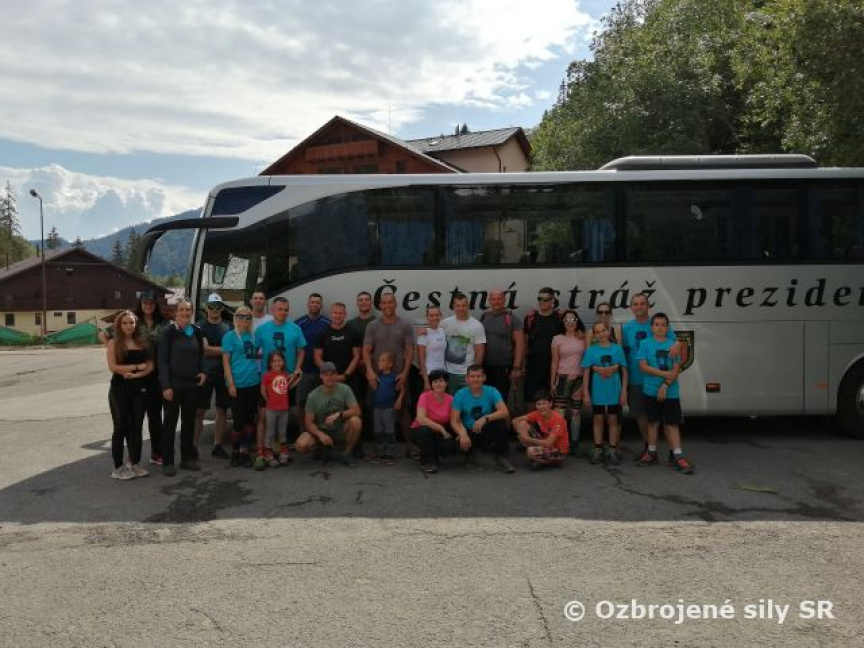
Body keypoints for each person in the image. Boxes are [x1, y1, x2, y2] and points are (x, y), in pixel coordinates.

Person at [621, 293, 679, 456]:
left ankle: (673, 451)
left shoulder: (657, 323)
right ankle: (648, 447)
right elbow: (625, 352)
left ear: (648, 306)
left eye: (642, 303)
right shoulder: (627, 328)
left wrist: (679, 343)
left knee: (666, 418)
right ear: (631, 307)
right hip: (636, 378)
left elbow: (675, 344)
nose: (639, 306)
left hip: (659, 379)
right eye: (635, 304)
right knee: (641, 415)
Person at [635, 313, 694, 474]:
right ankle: (651, 453)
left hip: (670, 391)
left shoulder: (673, 345)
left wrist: (665, 385)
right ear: (652, 327)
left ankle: (678, 456)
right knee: (652, 423)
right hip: (650, 390)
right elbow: (643, 367)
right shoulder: (645, 344)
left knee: (671, 424)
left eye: (663, 325)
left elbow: (676, 370)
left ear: (667, 328)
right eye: (657, 324)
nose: (660, 328)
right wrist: (663, 374)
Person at [362, 291, 416, 453]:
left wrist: (405, 373)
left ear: (395, 304)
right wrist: (369, 372)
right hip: (377, 378)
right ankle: (377, 447)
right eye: (384, 303)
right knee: (374, 410)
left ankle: (409, 445)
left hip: (398, 375)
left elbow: (409, 350)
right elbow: (366, 351)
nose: (387, 305)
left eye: (390, 302)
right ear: (380, 305)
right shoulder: (372, 326)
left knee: (404, 410)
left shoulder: (405, 325)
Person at [158, 299, 207, 476]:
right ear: (176, 312)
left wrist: (202, 371)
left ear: (192, 312)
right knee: (170, 424)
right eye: (181, 309)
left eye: (188, 309)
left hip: (191, 385)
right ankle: (168, 461)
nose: (185, 312)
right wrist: (166, 386)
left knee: (188, 423)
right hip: (173, 385)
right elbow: (162, 361)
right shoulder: (169, 332)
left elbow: (201, 355)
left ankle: (186, 459)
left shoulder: (196, 331)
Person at [254, 296, 306, 452]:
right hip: (267, 380)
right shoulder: (261, 330)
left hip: (288, 380)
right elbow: (252, 352)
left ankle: (278, 449)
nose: (283, 312)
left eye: (286, 310)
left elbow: (301, 350)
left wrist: (297, 369)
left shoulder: (295, 328)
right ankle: (261, 450)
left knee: (284, 416)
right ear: (272, 310)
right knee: (264, 416)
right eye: (280, 309)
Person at [106, 310, 153, 480]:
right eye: (125, 322)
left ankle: (134, 463)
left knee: (137, 427)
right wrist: (136, 367)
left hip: (139, 388)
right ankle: (118, 468)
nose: (128, 326)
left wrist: (137, 375)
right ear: (119, 325)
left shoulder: (142, 342)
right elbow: (113, 367)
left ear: (136, 324)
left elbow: (149, 366)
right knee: (121, 427)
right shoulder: (114, 343)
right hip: (120, 389)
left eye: (131, 322)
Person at [295, 362, 363, 467]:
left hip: (339, 429)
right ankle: (321, 448)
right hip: (321, 430)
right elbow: (308, 422)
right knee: (301, 445)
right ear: (321, 376)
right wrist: (320, 435)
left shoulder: (345, 389)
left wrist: (339, 414)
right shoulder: (312, 396)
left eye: (332, 374)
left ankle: (347, 453)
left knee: (356, 421)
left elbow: (357, 410)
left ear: (336, 375)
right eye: (326, 375)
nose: (329, 377)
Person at [450, 365, 514, 473]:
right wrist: (462, 433)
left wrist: (485, 418)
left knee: (501, 422)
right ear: (467, 378)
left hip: (485, 428)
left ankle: (501, 457)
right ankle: (471, 451)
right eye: (472, 376)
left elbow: (504, 411)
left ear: (484, 377)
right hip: (469, 430)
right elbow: (454, 420)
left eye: (478, 376)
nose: (476, 379)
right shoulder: (460, 394)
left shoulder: (492, 391)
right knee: (453, 447)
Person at [581, 321, 628, 465]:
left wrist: (624, 392)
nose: (602, 334)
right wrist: (586, 393)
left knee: (613, 419)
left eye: (604, 330)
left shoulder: (617, 349)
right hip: (598, 391)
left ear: (608, 331)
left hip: (614, 390)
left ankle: (612, 449)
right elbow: (586, 372)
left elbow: (625, 372)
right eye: (598, 332)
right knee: (598, 418)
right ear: (594, 335)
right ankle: (598, 448)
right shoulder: (591, 350)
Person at [221, 306, 260, 468]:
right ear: (235, 318)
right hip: (237, 384)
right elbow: (226, 362)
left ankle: (245, 451)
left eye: (248, 317)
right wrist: (231, 383)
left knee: (250, 420)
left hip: (253, 382)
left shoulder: (254, 336)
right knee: (238, 422)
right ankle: (235, 451)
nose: (245, 319)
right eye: (241, 316)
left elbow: (253, 355)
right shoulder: (230, 336)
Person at [196, 293, 231, 458]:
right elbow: (203, 350)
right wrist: (223, 349)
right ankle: (193, 447)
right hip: (205, 373)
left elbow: (230, 350)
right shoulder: (199, 326)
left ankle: (217, 446)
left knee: (222, 410)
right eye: (211, 306)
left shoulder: (229, 327)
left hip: (224, 373)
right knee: (199, 412)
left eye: (218, 306)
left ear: (222, 308)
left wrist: (211, 349)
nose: (214, 309)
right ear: (206, 308)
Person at [550, 309, 586, 453]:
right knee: (560, 413)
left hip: (579, 379)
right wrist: (552, 381)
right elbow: (554, 362)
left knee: (576, 412)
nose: (570, 323)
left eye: (573, 319)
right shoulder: (557, 339)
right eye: (567, 320)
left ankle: (575, 443)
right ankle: (559, 442)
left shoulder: (584, 337)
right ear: (563, 323)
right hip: (563, 378)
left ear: (578, 321)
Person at [480, 289, 524, 405]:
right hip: (485, 365)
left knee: (500, 399)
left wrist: (516, 367)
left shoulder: (512, 318)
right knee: (486, 398)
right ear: (489, 301)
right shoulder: (484, 317)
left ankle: (501, 417)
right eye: (494, 299)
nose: (496, 302)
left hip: (503, 366)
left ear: (504, 300)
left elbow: (520, 343)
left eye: (499, 299)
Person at [295, 293, 331, 429]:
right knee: (302, 404)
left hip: (322, 372)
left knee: (322, 404)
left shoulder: (327, 323)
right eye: (312, 302)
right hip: (304, 371)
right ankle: (303, 432)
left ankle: (321, 432)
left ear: (321, 305)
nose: (315, 304)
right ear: (308, 304)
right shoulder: (298, 324)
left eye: (317, 302)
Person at [523, 286, 564, 405]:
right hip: (534, 366)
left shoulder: (559, 318)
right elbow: (525, 342)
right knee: (531, 400)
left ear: (552, 301)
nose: (542, 302)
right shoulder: (531, 318)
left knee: (552, 399)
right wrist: (523, 365)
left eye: (545, 299)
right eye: (539, 299)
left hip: (554, 367)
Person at [409, 369, 454, 473]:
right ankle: (426, 463)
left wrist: (461, 433)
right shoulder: (424, 396)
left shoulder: (451, 399)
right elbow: (421, 418)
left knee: (450, 443)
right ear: (431, 384)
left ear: (446, 383)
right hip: (419, 431)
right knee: (425, 430)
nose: (438, 384)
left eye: (441, 381)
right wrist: (440, 428)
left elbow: (454, 420)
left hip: (439, 433)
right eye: (435, 381)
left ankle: (435, 454)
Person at [348, 291, 377, 449]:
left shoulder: (377, 322)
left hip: (372, 370)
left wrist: (367, 363)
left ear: (370, 303)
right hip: (355, 371)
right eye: (361, 300)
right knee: (356, 404)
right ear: (357, 303)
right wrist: (357, 363)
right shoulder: (351, 324)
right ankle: (356, 440)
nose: (364, 302)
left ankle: (371, 440)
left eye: (367, 300)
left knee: (371, 404)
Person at [441, 293, 486, 393]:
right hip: (449, 372)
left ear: (468, 306)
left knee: (467, 400)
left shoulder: (477, 326)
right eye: (458, 305)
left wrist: (474, 374)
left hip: (467, 373)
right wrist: (424, 331)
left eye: (463, 305)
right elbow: (433, 333)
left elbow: (480, 351)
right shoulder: (445, 323)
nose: (460, 308)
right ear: (453, 306)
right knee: (452, 401)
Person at [512, 390, 568, 470]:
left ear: (551, 404)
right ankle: (538, 458)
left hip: (558, 450)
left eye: (544, 403)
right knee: (522, 424)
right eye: (539, 404)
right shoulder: (538, 413)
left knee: (530, 451)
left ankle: (544, 461)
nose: (541, 407)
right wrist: (520, 435)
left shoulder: (558, 419)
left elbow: (548, 443)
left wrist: (527, 439)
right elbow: (515, 420)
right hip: (544, 443)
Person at [257, 350, 294, 470]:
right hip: (271, 409)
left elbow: (290, 384)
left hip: (284, 408)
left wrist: (295, 375)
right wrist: (267, 400)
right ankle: (268, 453)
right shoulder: (267, 375)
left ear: (283, 362)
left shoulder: (285, 374)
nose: (277, 363)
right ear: (270, 363)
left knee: (282, 431)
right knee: (270, 432)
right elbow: (263, 389)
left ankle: (283, 452)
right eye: (274, 361)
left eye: (279, 361)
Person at [314, 302, 362, 394]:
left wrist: (345, 375)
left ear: (345, 314)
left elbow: (357, 356)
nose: (338, 316)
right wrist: (329, 375)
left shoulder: (353, 332)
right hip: (327, 380)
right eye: (335, 313)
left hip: (349, 379)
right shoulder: (322, 333)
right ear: (330, 314)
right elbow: (317, 357)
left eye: (341, 313)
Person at [371, 351, 404, 465]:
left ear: (390, 364)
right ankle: (380, 452)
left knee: (389, 430)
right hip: (377, 407)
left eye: (383, 360)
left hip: (389, 407)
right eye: (379, 360)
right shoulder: (377, 377)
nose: (380, 362)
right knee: (378, 430)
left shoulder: (394, 377)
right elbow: (373, 388)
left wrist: (399, 400)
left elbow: (402, 388)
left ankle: (390, 453)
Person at [417, 305, 447, 392]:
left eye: (437, 315)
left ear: (440, 316)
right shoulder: (423, 334)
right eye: (431, 315)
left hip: (442, 374)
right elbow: (421, 359)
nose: (434, 317)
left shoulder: (443, 331)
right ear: (427, 317)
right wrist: (426, 381)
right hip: (429, 374)